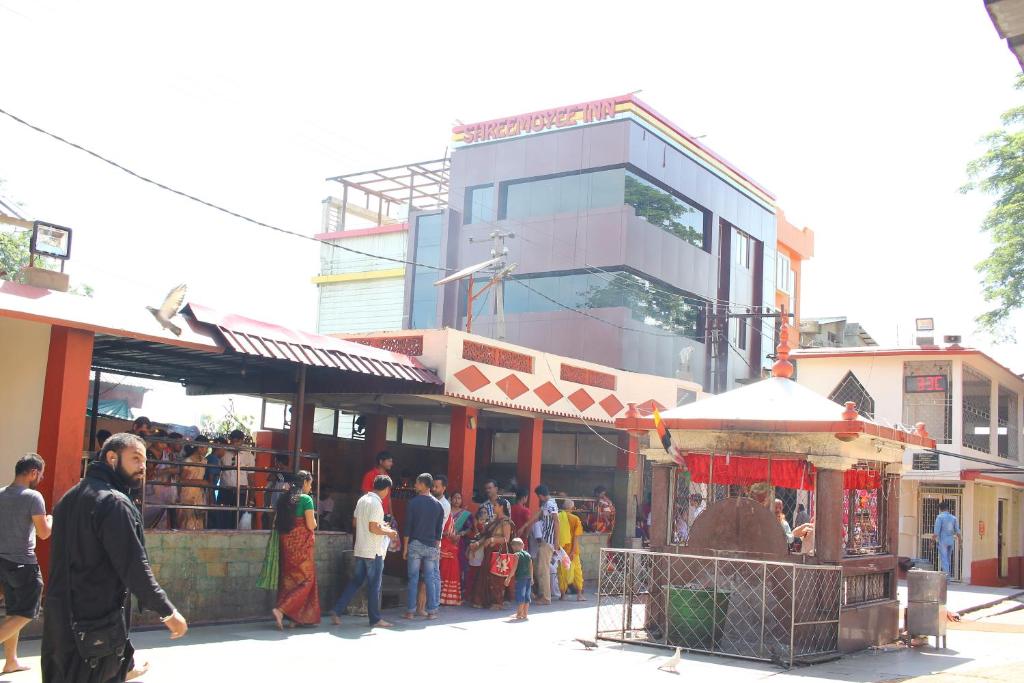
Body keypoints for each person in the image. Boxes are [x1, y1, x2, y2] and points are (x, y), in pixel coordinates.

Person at [41, 433, 187, 683]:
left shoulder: (69, 498)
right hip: (95, 622)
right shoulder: (114, 503)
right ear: (111, 458)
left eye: (144, 460)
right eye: (135, 458)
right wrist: (167, 611)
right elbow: (133, 566)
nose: (143, 466)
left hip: (59, 620)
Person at [0, 454, 52, 675]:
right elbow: (44, 534)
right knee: (27, 612)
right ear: (33, 472)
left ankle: (10, 661)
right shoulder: (33, 496)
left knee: (13, 611)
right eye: (40, 474)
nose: (40, 478)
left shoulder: (1, 493)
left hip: (2, 562)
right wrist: (51, 519)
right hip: (23, 563)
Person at [330, 475, 398, 628]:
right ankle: (375, 619)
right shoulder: (376, 504)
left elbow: (355, 522)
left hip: (361, 548)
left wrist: (382, 526)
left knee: (356, 581)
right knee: (374, 586)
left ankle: (337, 609)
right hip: (373, 551)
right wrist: (389, 532)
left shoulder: (362, 500)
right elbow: (373, 527)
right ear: (386, 489)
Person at [271, 471, 320, 629]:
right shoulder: (306, 499)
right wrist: (315, 522)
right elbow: (311, 525)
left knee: (290, 581)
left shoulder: (284, 498)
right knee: (307, 580)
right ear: (305, 482)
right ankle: (281, 610)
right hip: (302, 546)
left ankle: (294, 617)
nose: (310, 487)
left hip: (286, 545)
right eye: (310, 483)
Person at [403, 474, 444, 620]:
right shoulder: (438, 505)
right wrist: (437, 548)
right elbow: (439, 531)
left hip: (415, 544)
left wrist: (405, 548)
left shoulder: (413, 503)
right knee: (430, 578)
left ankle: (410, 611)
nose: (415, 485)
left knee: (413, 578)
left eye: (417, 483)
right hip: (432, 545)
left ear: (423, 485)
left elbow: (408, 527)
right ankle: (432, 611)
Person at [519, 484, 558, 605]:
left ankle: (546, 597)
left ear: (540, 495)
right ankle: (544, 595)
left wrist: (557, 541)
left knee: (544, 569)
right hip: (547, 541)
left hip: (548, 541)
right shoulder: (547, 504)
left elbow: (557, 521)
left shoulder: (550, 505)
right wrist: (525, 526)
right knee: (541, 569)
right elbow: (536, 516)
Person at [471, 502, 513, 610]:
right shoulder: (494, 521)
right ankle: (485, 601)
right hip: (489, 552)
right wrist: (478, 543)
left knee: (496, 577)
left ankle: (498, 602)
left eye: (495, 506)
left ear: (501, 507)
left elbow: (506, 539)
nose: (493, 508)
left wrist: (493, 539)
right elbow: (486, 536)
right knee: (485, 575)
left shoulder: (505, 521)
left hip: (499, 552)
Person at [440, 491, 472, 606]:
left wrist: (460, 534)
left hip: (459, 544)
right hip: (445, 542)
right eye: (455, 498)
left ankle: (456, 594)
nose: (457, 500)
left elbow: (470, 529)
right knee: (443, 568)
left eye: (459, 498)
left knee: (458, 569)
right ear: (451, 499)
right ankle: (442, 594)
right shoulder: (446, 511)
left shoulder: (465, 514)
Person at [220, 430, 255, 528]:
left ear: (242, 441)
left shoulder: (249, 456)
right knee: (223, 519)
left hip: (241, 492)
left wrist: (251, 500)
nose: (235, 444)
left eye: (237, 441)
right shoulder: (224, 454)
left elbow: (251, 478)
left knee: (238, 519)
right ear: (230, 441)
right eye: (233, 441)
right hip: (225, 491)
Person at [176, 437, 209, 530]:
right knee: (188, 521)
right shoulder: (188, 461)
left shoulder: (204, 461)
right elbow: (181, 480)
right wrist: (200, 482)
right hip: (187, 494)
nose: (206, 451)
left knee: (199, 521)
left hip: (199, 493)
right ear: (199, 448)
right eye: (205, 448)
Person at [557, 499, 585, 601]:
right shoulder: (575, 519)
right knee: (577, 572)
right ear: (572, 508)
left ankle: (563, 595)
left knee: (562, 572)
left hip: (561, 550)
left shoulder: (558, 517)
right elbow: (576, 537)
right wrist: (573, 552)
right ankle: (579, 595)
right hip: (573, 550)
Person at [465, 508, 489, 601]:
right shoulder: (475, 528)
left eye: (485, 512)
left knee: (480, 577)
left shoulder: (488, 528)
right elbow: (471, 541)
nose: (483, 514)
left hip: (482, 553)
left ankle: (477, 597)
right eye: (481, 513)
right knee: (472, 575)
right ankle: (470, 595)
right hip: (475, 554)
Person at [361, 451, 394, 515]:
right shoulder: (369, 475)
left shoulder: (387, 477)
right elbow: (365, 494)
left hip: (384, 513)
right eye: (389, 461)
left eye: (391, 461)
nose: (391, 463)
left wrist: (391, 514)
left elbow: (388, 497)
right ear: (381, 461)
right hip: (372, 512)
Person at [934, 501, 961, 579]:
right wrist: (960, 542)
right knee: (948, 559)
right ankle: (947, 577)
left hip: (943, 541)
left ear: (940, 509)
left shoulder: (940, 517)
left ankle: (946, 579)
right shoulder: (953, 518)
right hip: (950, 541)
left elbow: (936, 532)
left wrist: (932, 541)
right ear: (947, 508)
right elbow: (958, 531)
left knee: (944, 560)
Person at [509, 538, 532, 621]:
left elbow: (514, 568)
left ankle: (519, 614)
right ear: (523, 545)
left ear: (514, 547)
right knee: (527, 596)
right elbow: (531, 567)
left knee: (520, 596)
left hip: (520, 578)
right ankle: (525, 614)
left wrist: (508, 578)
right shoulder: (528, 555)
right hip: (528, 578)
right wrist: (532, 578)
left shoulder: (516, 555)